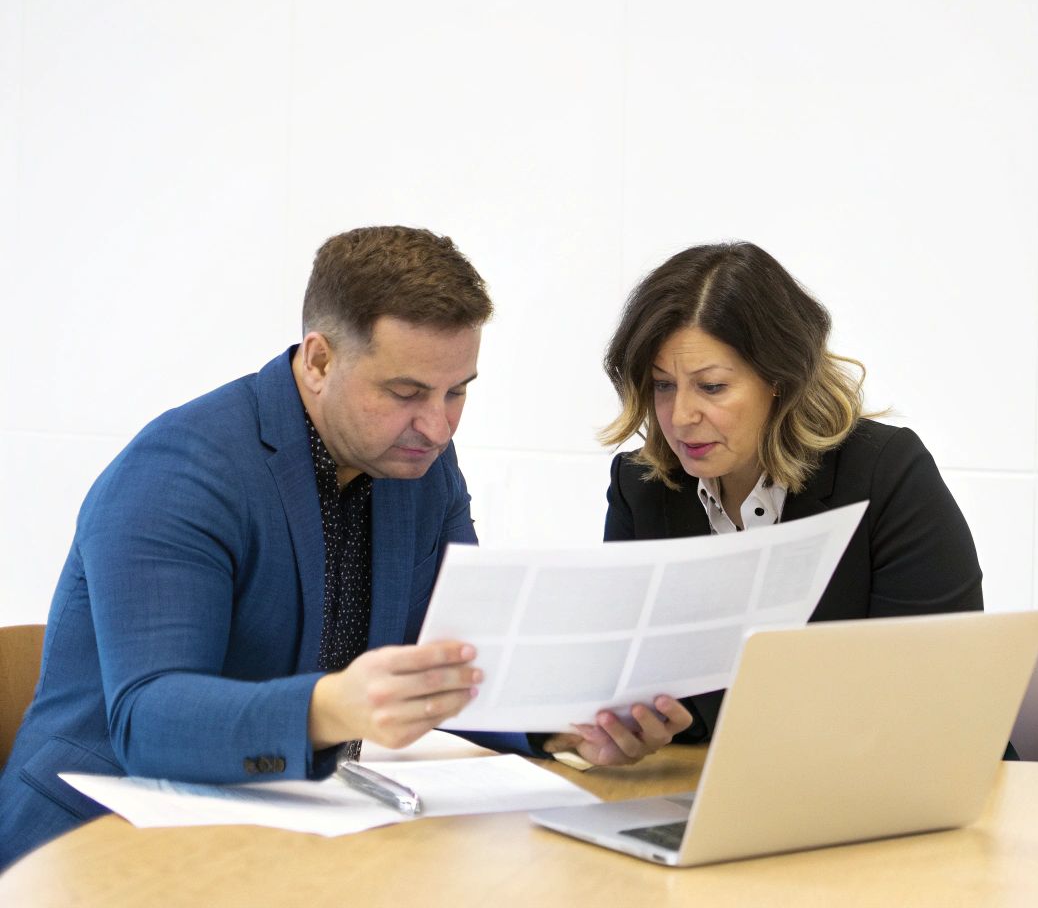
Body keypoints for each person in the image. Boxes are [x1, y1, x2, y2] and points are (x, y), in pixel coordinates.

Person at [0, 226, 690, 870]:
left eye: (457, 392)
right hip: (92, 843)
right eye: (406, 392)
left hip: (281, 830)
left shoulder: (418, 463)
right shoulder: (181, 470)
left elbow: (456, 654)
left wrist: (560, 724)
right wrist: (333, 707)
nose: (438, 426)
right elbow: (148, 722)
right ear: (319, 360)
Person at [594, 241, 984, 743]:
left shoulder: (884, 471)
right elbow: (632, 684)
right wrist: (629, 729)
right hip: (717, 781)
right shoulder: (641, 487)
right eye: (662, 386)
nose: (681, 417)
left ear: (779, 378)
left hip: (900, 772)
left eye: (711, 387)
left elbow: (937, 691)